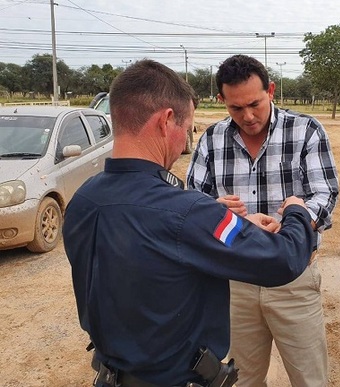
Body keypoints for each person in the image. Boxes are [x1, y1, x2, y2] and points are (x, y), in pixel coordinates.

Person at [63, 59, 316, 387]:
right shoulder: (187, 212)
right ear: (167, 121)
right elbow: (284, 258)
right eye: (187, 128)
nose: (185, 141)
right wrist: (296, 211)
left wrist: (229, 222)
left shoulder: (84, 200)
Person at [186, 54, 339, 387]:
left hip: (294, 279)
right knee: (240, 379)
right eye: (236, 108)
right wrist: (217, 210)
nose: (248, 116)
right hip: (233, 282)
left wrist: (293, 223)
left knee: (310, 378)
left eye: (255, 103)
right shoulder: (212, 140)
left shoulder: (305, 130)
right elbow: (190, 205)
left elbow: (325, 196)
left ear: (270, 90)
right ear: (222, 100)